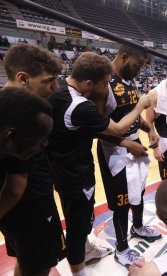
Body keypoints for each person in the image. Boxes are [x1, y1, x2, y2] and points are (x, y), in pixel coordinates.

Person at [47, 52, 151, 275]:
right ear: (88, 83)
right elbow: (116, 128)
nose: (106, 88)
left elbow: (92, 127)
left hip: (62, 169)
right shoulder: (80, 106)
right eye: (104, 84)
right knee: (77, 226)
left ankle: (85, 249)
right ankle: (79, 271)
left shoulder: (60, 91)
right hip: (75, 174)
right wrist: (140, 105)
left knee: (81, 220)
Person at [0, 44, 67, 276]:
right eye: (49, 80)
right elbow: (14, 188)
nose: (55, 86)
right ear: (23, 78)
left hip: (18, 217)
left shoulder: (10, 107)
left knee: (25, 261)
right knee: (39, 268)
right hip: (31, 214)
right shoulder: (19, 120)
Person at [96, 45, 162, 268]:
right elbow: (98, 127)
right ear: (124, 57)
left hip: (134, 143)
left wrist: (150, 130)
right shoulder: (104, 84)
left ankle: (138, 226)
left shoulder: (128, 80)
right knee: (121, 201)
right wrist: (126, 144)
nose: (138, 71)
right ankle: (122, 247)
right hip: (113, 149)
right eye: (137, 65)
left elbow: (133, 115)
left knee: (138, 191)